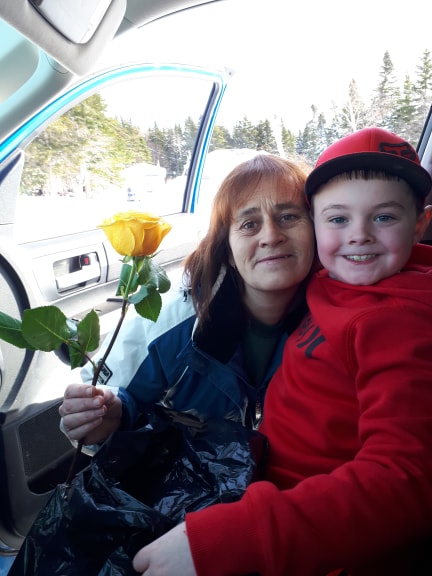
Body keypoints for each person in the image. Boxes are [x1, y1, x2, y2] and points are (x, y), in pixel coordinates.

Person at [132, 127, 432, 576]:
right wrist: (117, 410)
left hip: (311, 537)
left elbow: (403, 480)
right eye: (337, 219)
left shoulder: (395, 321)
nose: (359, 236)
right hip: (256, 491)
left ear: (421, 225)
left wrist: (230, 538)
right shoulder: (329, 287)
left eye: (385, 217)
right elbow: (143, 399)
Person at [59, 153, 315, 446]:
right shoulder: (173, 321)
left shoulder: (341, 317)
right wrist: (109, 416)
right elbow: (109, 398)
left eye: (288, 217)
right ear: (228, 251)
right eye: (249, 224)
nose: (271, 235)